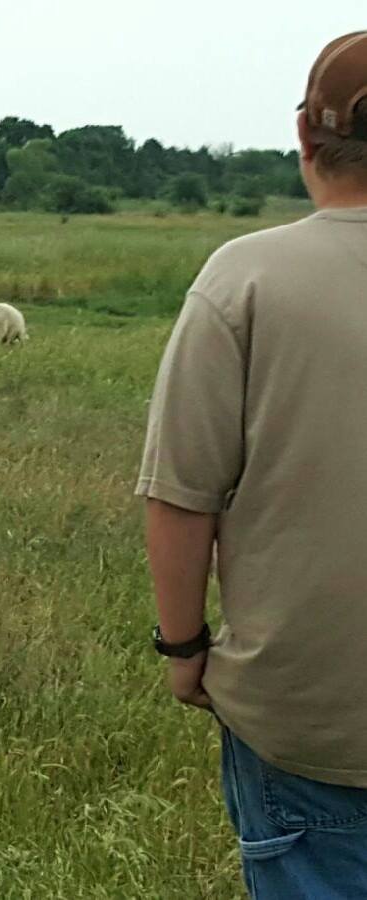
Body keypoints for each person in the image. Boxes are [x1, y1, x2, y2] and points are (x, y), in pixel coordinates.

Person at [137, 32, 367, 899]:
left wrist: (184, 647)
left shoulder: (244, 280)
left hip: (309, 727)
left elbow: (181, 493)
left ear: (305, 137)